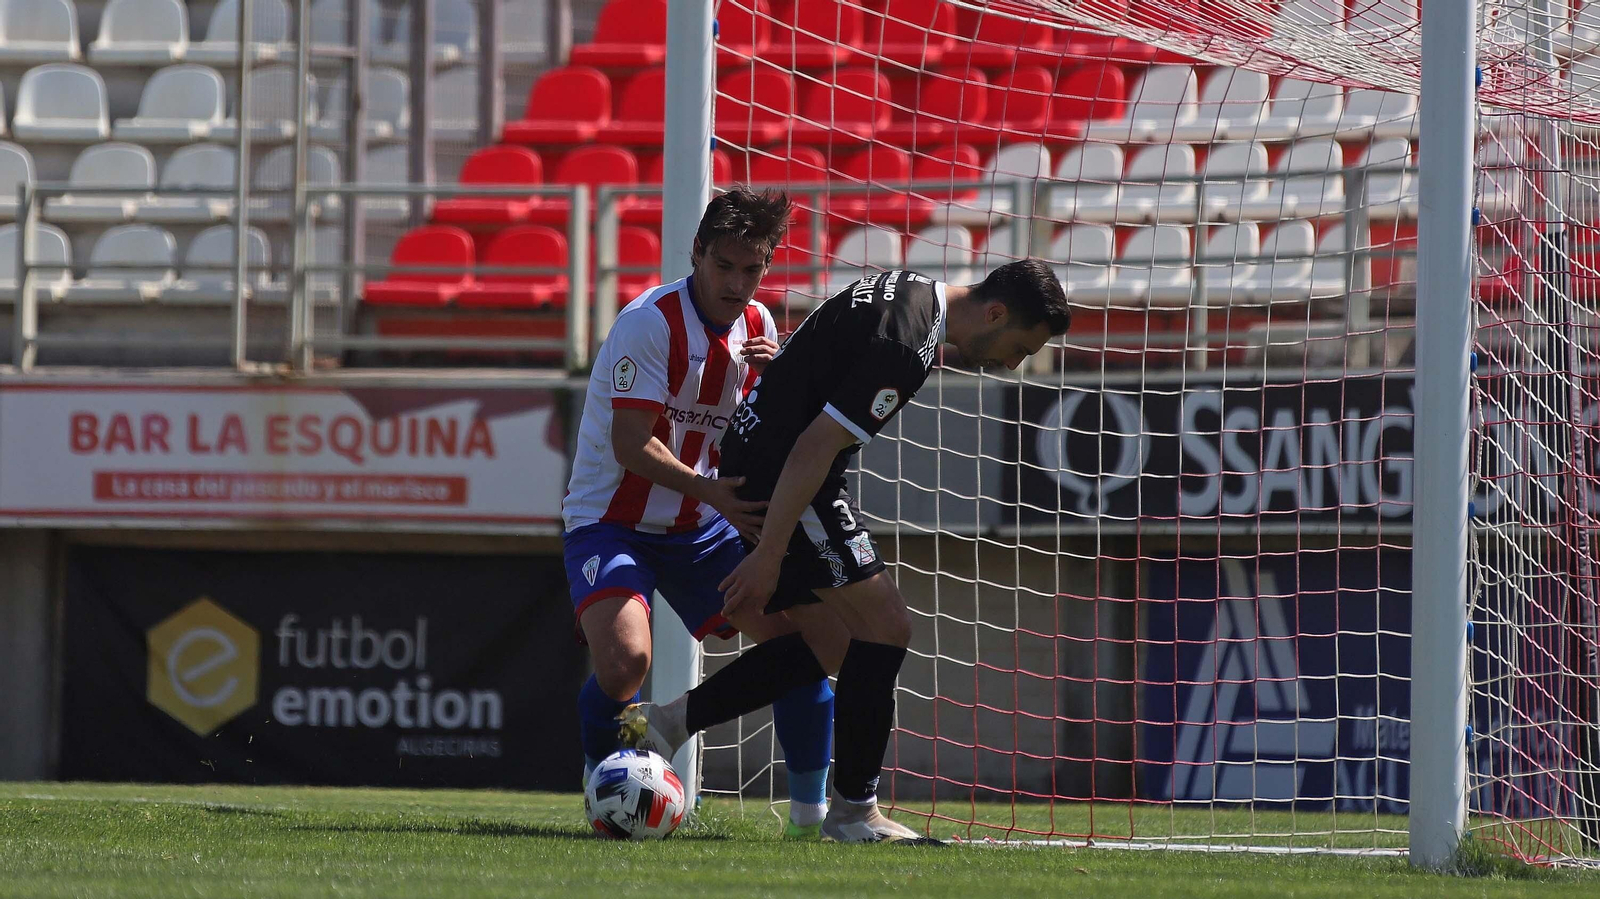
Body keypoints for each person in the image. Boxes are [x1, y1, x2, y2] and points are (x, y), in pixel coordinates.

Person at [618, 260, 1072, 844]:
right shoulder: (909, 345)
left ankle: (666, 723)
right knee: (887, 627)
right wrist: (769, 554)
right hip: (788, 474)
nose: (1012, 363)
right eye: (1018, 347)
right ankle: (854, 813)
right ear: (995, 313)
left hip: (764, 460)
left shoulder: (904, 287)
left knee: (829, 646)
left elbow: (815, 359)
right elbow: (813, 446)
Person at [563, 187, 848, 838]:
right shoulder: (648, 322)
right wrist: (712, 491)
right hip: (613, 518)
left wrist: (778, 386)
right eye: (725, 266)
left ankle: (813, 821)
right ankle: (602, 780)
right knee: (625, 663)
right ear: (697, 254)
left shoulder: (760, 330)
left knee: (801, 645)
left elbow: (755, 432)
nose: (738, 283)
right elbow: (631, 444)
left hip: (699, 523)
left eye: (753, 270)